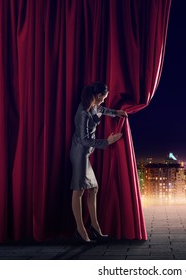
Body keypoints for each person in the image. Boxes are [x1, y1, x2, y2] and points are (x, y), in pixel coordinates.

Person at [70, 81, 127, 243]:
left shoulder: (94, 106)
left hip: (85, 154)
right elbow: (85, 140)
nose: (104, 100)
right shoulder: (82, 113)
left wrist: (117, 112)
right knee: (79, 191)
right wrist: (107, 142)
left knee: (94, 189)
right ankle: (81, 231)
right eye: (104, 97)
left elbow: (102, 110)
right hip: (79, 153)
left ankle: (95, 226)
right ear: (97, 95)